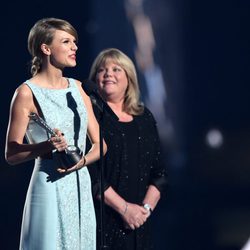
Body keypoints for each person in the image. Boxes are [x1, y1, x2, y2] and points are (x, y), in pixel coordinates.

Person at [5, 17, 107, 250]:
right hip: (49, 186)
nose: (75, 47)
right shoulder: (26, 92)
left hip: (79, 185)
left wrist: (80, 163)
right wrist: (47, 146)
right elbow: (11, 153)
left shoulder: (78, 88)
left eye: (75, 42)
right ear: (46, 48)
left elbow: (100, 143)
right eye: (67, 41)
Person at [87, 48, 167, 250]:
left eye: (116, 69)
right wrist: (124, 209)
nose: (108, 74)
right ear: (95, 78)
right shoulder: (91, 117)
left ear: (129, 78)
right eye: (102, 70)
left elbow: (160, 174)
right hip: (102, 222)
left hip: (138, 224)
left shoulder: (145, 118)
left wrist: (143, 211)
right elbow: (92, 177)